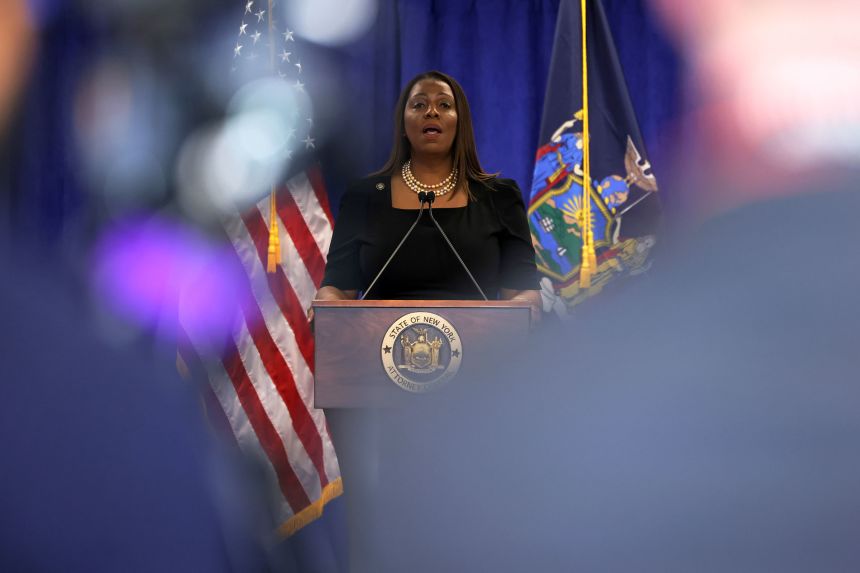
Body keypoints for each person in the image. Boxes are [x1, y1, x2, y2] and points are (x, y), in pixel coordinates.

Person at [315, 70, 541, 321]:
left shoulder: (499, 196)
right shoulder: (363, 197)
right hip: (377, 352)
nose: (431, 112)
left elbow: (522, 291)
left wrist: (527, 306)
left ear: (460, 123)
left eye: (444, 104)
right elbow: (337, 288)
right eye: (419, 104)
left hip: (483, 354)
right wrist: (326, 305)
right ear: (403, 124)